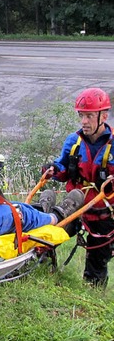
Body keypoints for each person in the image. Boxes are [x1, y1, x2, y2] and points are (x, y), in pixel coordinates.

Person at [41, 87, 114, 287]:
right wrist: (52, 169)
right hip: (73, 207)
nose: (84, 121)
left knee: (97, 263)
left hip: (102, 213)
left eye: (89, 116)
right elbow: (63, 167)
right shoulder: (74, 141)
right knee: (47, 237)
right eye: (82, 116)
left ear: (103, 116)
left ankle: (93, 293)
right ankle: (41, 272)